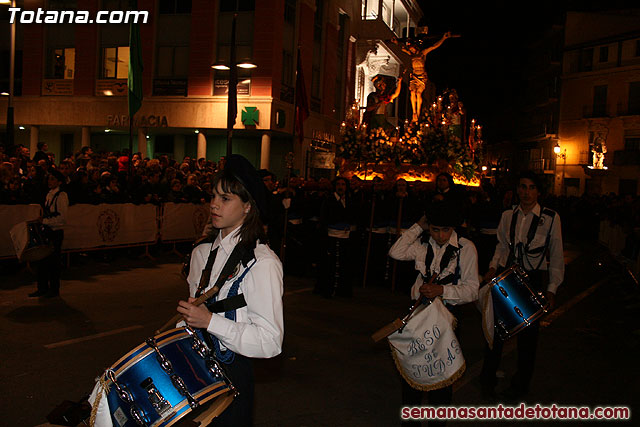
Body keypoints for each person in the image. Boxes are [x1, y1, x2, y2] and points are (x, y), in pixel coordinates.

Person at [176, 154, 283, 426]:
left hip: (232, 379)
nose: (214, 204)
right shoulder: (201, 252)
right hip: (194, 373)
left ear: (248, 206)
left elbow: (270, 342)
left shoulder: (262, 263)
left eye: (225, 199)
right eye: (213, 196)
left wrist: (210, 321)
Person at [389, 200, 479, 425]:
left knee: (441, 383)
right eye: (435, 229)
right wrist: (419, 225)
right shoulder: (422, 244)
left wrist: (442, 290)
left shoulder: (466, 248)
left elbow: (472, 290)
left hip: (446, 321)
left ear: (455, 227)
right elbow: (395, 252)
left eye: (446, 230)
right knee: (411, 378)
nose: (440, 236)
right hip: (418, 318)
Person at [480, 170, 564, 401]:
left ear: (539, 191)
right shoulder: (508, 215)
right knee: (495, 330)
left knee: (528, 338)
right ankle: (488, 377)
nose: (526, 192)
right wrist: (492, 267)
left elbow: (556, 254)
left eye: (531, 187)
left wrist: (552, 288)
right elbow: (501, 246)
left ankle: (520, 385)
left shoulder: (550, 217)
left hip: (533, 278)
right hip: (508, 276)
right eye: (522, 187)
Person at [391, 29, 453, 122]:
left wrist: (443, 38)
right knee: (412, 93)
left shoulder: (422, 53)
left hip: (421, 77)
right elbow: (403, 48)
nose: (411, 50)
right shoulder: (411, 55)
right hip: (414, 77)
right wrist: (396, 42)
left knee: (418, 93)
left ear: (416, 48)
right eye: (410, 49)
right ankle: (414, 113)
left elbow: (434, 46)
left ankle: (418, 113)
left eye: (412, 49)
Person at [30, 169, 68, 298]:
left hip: (55, 231)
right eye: (49, 179)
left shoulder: (61, 196)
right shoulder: (49, 194)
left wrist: (45, 221)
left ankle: (53, 289)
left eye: (52, 179)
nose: (49, 181)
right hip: (47, 230)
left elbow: (62, 218)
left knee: (53, 262)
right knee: (42, 260)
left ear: (59, 181)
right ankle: (42, 288)